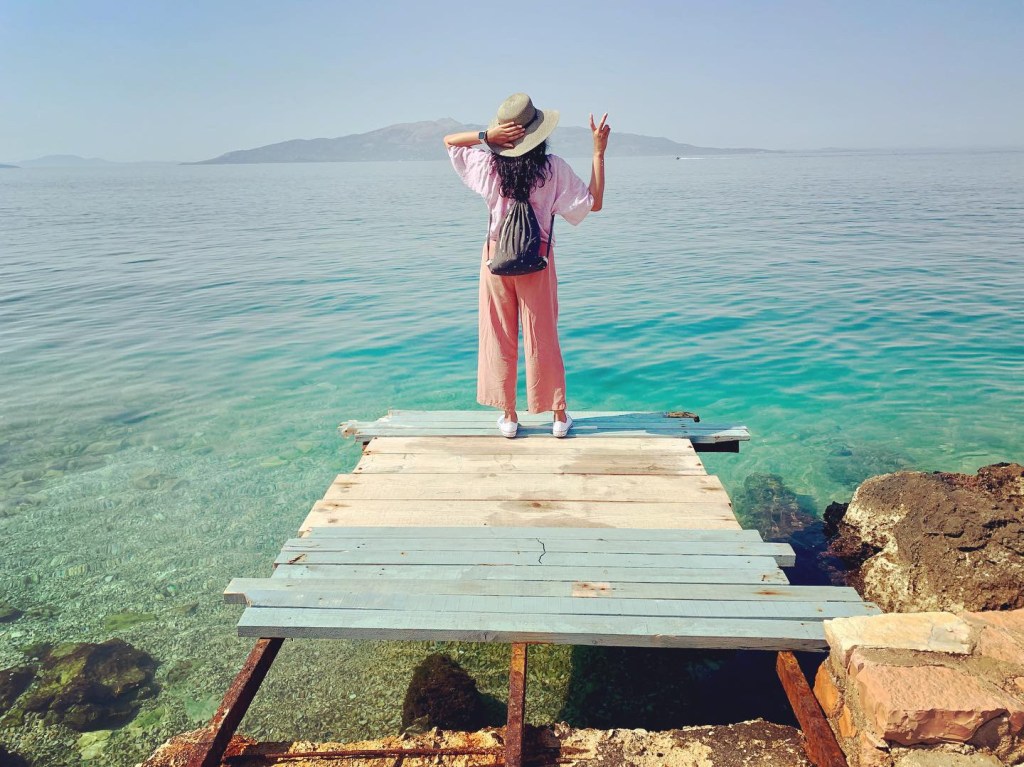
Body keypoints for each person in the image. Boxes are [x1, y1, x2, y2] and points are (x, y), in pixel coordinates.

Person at [444, 93, 609, 438]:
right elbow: (592, 205)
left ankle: (508, 416)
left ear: (505, 135)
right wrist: (598, 151)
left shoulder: (488, 166)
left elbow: (449, 142)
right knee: (543, 334)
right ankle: (559, 417)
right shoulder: (553, 169)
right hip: (539, 258)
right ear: (539, 133)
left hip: (495, 259)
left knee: (498, 333)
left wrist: (485, 138)